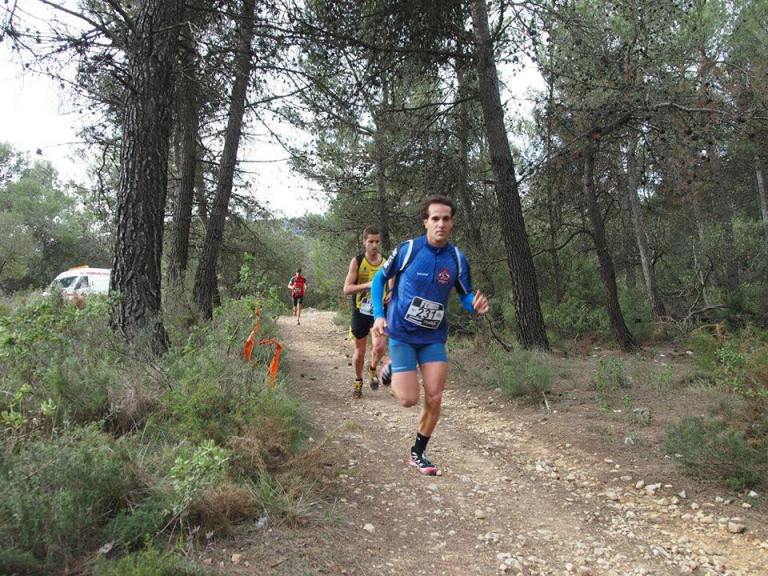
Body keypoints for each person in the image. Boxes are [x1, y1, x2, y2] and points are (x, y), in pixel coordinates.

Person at [371, 196, 489, 475]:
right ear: (425, 221)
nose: (440, 224)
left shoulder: (456, 258)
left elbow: (465, 294)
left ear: (452, 223)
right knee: (408, 400)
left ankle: (418, 453)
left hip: (433, 337)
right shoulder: (409, 250)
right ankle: (391, 367)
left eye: (446, 219)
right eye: (435, 218)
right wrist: (378, 314)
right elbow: (379, 279)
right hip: (402, 333)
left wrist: (474, 304)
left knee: (434, 397)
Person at [343, 226, 388, 399]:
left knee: (380, 346)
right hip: (361, 310)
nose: (374, 245)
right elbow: (347, 289)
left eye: (377, 242)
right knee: (359, 351)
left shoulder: (386, 262)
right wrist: (367, 285)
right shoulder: (357, 261)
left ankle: (372, 368)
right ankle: (358, 380)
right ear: (364, 242)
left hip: (379, 311)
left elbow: (393, 283)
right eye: (371, 241)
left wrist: (391, 294)